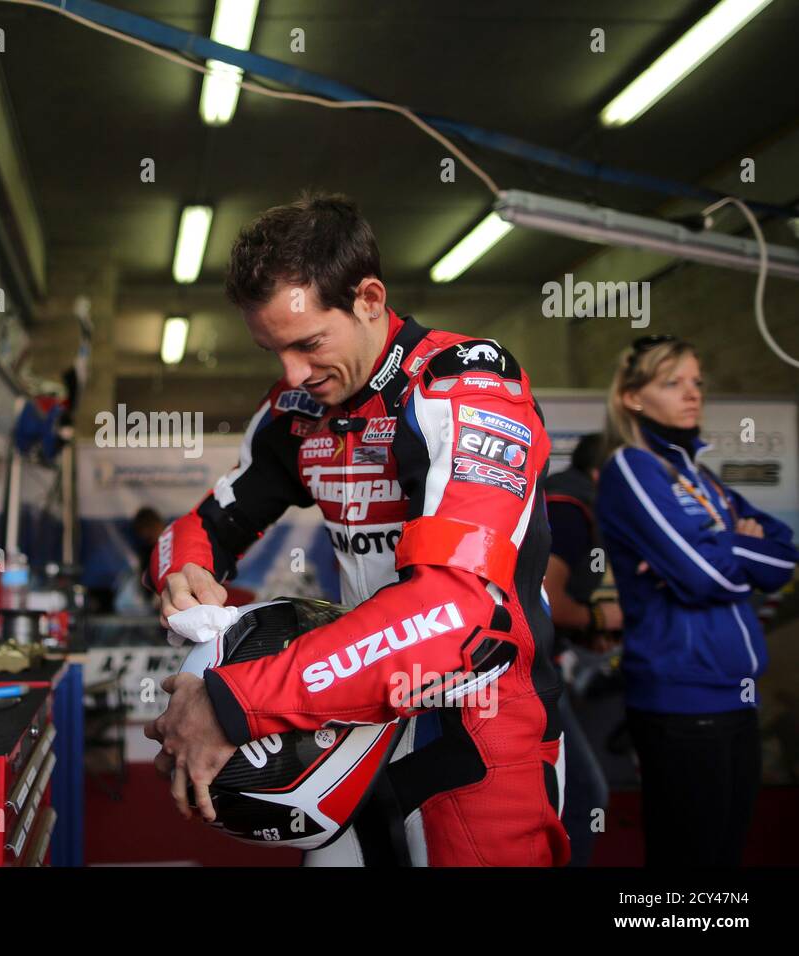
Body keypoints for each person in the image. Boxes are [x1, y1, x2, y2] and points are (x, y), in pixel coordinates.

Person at [144, 192, 569, 866]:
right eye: (272, 350)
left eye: (309, 343)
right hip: (347, 710)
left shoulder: (464, 386)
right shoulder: (294, 409)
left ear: (369, 298)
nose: (292, 374)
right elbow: (200, 526)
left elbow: (455, 611)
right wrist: (185, 574)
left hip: (476, 715)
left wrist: (234, 702)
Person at [595, 334, 798, 866]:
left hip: (738, 694)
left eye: (697, 382)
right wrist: (733, 545)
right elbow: (705, 576)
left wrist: (723, 547)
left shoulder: (700, 477)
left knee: (724, 856)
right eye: (672, 383)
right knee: (690, 866)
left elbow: (783, 559)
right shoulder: (632, 470)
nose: (693, 394)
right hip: (682, 701)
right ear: (633, 398)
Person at [542, 432, 617, 867]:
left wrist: (586, 628)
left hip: (530, 667)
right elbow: (548, 601)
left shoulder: (570, 498)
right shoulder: (571, 508)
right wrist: (602, 619)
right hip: (526, 673)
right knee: (584, 797)